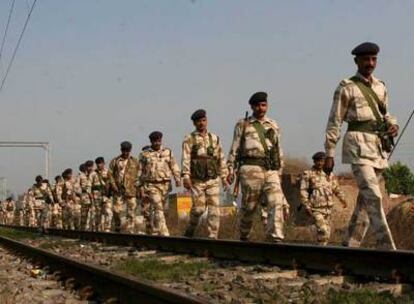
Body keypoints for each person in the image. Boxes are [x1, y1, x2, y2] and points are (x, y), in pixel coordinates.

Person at [324, 42, 399, 249]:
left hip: (378, 147)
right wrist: (329, 151)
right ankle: (387, 248)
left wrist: (393, 125)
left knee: (365, 203)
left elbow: (386, 114)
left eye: (374, 59)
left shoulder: (380, 86)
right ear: (357, 61)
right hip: (357, 146)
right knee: (373, 196)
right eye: (366, 59)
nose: (370, 63)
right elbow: (335, 120)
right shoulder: (347, 87)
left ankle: (350, 246)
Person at [227, 92, 289, 242]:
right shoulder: (243, 124)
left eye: (264, 105)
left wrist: (279, 171)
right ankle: (244, 235)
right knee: (250, 207)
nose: (261, 108)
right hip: (250, 169)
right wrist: (230, 170)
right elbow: (234, 148)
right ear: (252, 106)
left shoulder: (273, 125)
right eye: (258, 105)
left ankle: (275, 238)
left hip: (270, 169)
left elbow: (278, 149)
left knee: (276, 201)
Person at [182, 109, 228, 239]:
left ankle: (212, 238)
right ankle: (190, 228)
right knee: (198, 209)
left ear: (206, 121)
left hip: (213, 179)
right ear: (194, 123)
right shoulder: (189, 139)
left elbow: (221, 158)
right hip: (197, 181)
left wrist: (224, 177)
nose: (201, 123)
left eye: (203, 120)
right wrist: (186, 176)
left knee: (214, 210)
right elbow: (186, 158)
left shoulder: (215, 138)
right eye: (198, 121)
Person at [138, 131, 181, 236]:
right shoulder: (144, 155)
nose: (157, 143)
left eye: (159, 141)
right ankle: (165, 234)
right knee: (158, 208)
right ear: (151, 141)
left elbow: (174, 166)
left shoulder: (168, 152)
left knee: (162, 210)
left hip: (165, 185)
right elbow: (139, 171)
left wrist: (177, 179)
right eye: (154, 141)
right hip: (151, 185)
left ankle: (156, 230)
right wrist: (139, 186)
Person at [299, 152, 347, 245]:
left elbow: (336, 188)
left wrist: (343, 199)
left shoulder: (329, 175)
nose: (320, 163)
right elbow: (303, 191)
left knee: (326, 237)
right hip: (316, 209)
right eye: (318, 161)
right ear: (314, 162)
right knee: (323, 231)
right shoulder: (308, 174)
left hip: (328, 209)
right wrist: (306, 206)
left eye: (322, 161)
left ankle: (320, 252)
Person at [109, 141, 140, 233]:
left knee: (131, 212)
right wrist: (113, 185)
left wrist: (138, 187)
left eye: (127, 150)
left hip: (131, 190)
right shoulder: (115, 161)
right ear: (121, 150)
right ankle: (117, 226)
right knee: (116, 211)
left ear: (130, 150)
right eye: (124, 150)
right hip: (118, 190)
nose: (125, 152)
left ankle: (130, 230)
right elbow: (110, 174)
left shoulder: (135, 161)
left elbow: (139, 174)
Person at [91, 157, 113, 232]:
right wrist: (91, 197)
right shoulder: (93, 174)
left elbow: (112, 183)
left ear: (104, 163)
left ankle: (107, 229)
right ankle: (98, 230)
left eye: (100, 163)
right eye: (97, 163)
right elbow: (89, 186)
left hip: (106, 195)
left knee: (108, 212)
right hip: (97, 196)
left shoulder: (108, 172)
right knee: (98, 214)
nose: (99, 165)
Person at [79, 160, 94, 230]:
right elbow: (76, 188)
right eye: (88, 166)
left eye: (91, 166)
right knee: (84, 216)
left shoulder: (95, 174)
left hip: (95, 197)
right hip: (85, 197)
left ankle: (93, 230)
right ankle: (83, 231)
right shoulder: (81, 176)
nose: (89, 168)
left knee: (94, 215)